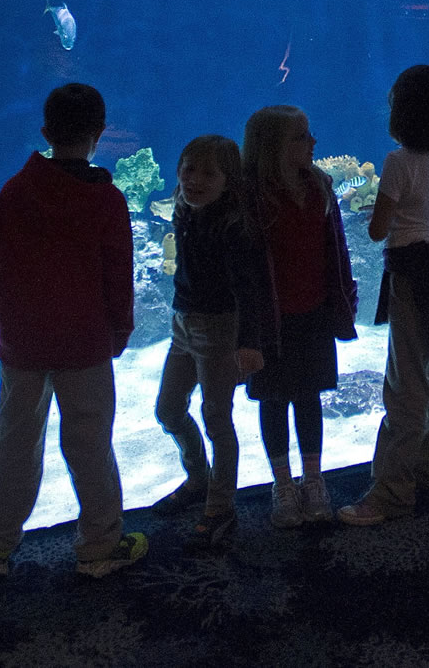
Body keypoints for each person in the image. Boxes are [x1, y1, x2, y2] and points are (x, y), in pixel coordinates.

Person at [0, 83, 147, 579]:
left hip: (22, 344)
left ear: (45, 131)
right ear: (99, 135)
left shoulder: (14, 190)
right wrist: (120, 329)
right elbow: (118, 275)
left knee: (15, 443)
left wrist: (0, 312)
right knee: (90, 445)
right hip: (85, 344)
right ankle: (99, 547)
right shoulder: (107, 201)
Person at [339, 65, 429, 527]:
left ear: (401, 112)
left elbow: (377, 231)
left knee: (404, 384)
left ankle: (393, 491)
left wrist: (384, 211)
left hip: (411, 277)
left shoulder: (398, 164)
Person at [241, 105, 359, 530]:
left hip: (313, 314)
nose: (313, 143)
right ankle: (282, 482)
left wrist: (344, 301)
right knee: (273, 400)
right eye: (302, 136)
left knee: (309, 396)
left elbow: (338, 253)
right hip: (267, 320)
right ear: (272, 147)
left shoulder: (320, 188)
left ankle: (313, 479)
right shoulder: (250, 197)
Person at [151, 134, 271, 553]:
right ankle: (198, 478)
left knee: (217, 418)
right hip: (182, 326)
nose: (195, 180)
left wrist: (249, 343)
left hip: (219, 330)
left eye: (208, 173)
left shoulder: (234, 227)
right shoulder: (183, 212)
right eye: (188, 170)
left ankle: (221, 507)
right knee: (168, 409)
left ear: (228, 180)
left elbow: (249, 289)